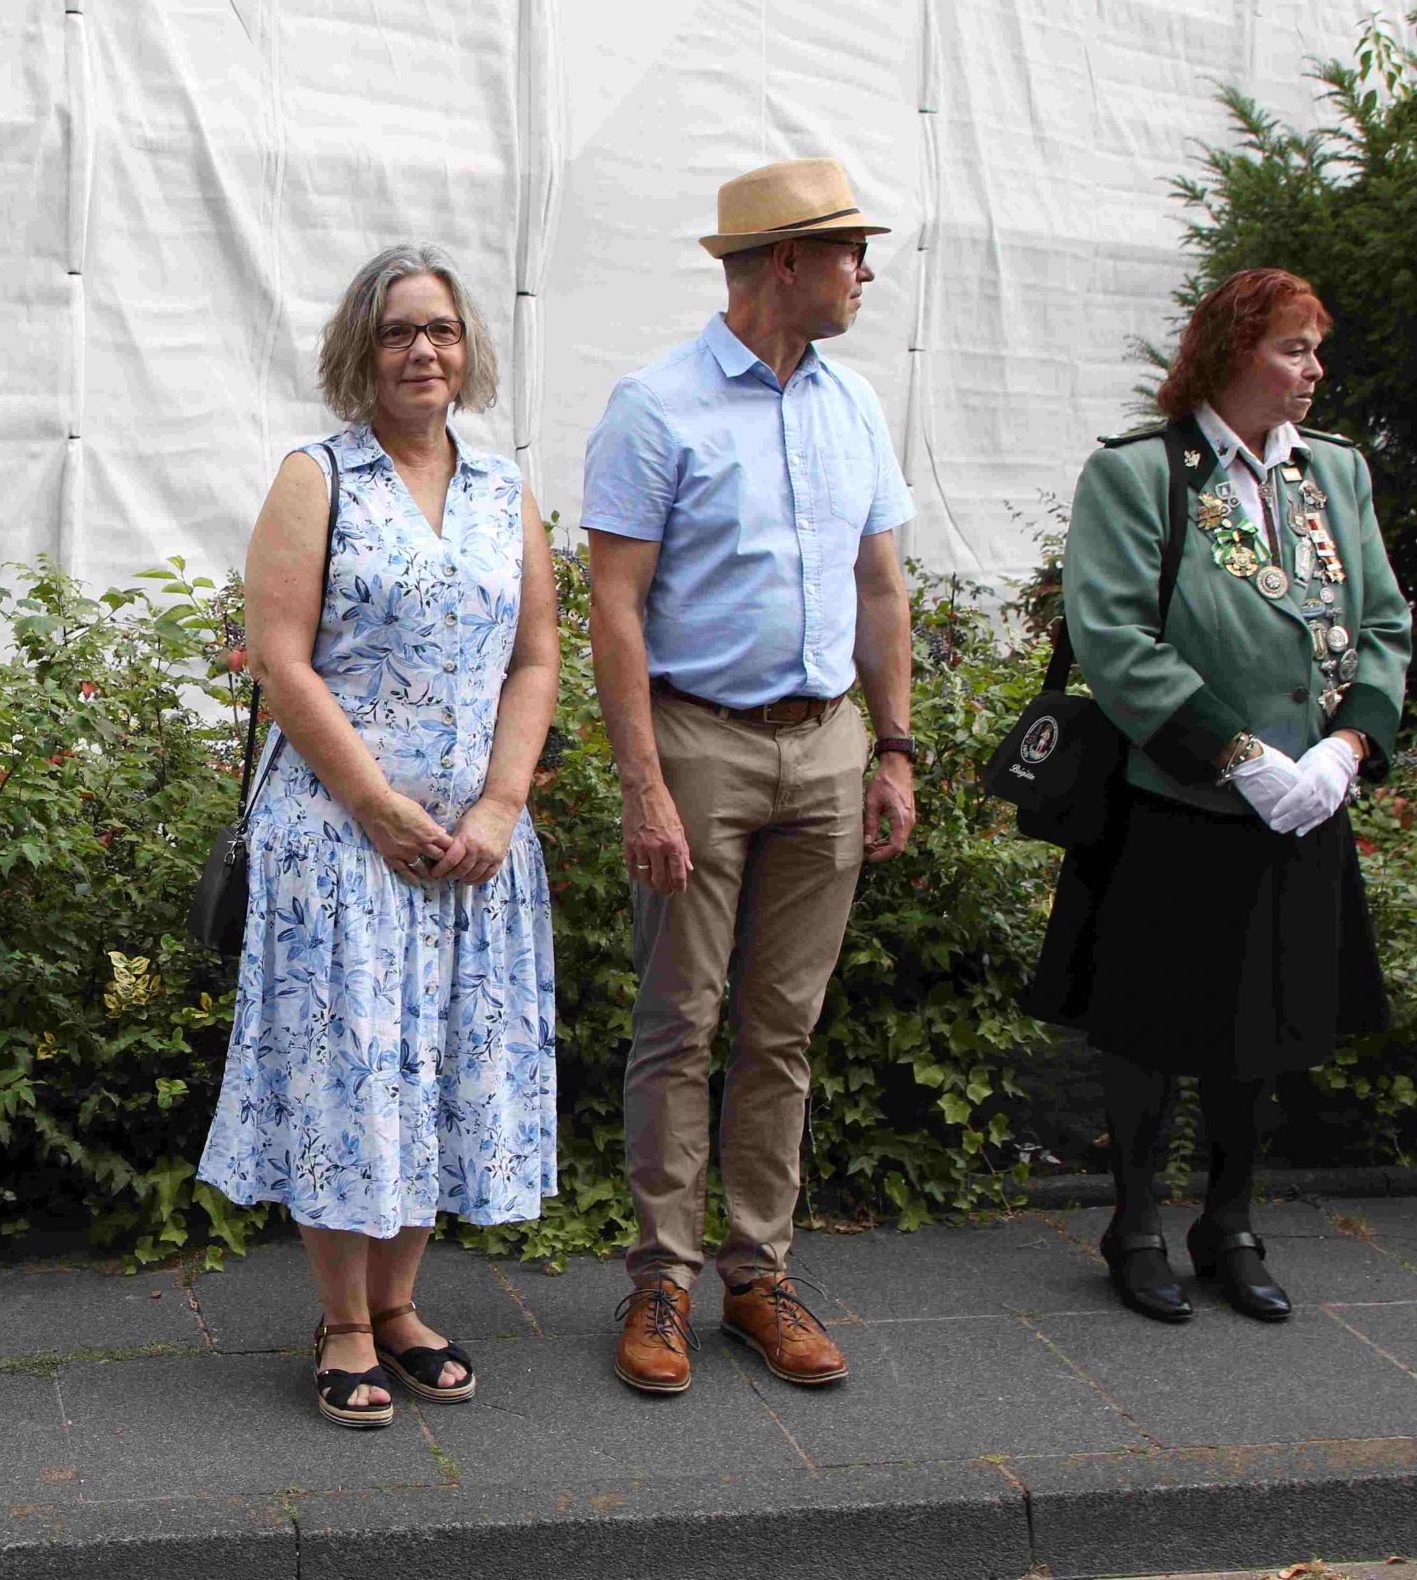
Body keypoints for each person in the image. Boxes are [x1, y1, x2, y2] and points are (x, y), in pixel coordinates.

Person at [197, 244, 560, 1430]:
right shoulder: (319, 478)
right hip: (337, 841)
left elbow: (536, 657)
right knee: (348, 1070)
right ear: (361, 350)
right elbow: (279, 658)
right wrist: (373, 804)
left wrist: (499, 806)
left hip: (473, 851)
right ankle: (342, 1321)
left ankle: (400, 1306)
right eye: (398, 331)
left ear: (468, 347)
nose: (422, 351)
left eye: (441, 329)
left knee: (439, 1065)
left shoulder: (504, 490)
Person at [581, 157, 918, 1396]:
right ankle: (661, 1281)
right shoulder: (655, 406)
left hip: (827, 744)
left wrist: (894, 748)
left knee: (783, 1029)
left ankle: (758, 1277)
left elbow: (879, 586)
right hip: (699, 741)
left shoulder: (853, 403)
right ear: (785, 260)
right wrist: (644, 784)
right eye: (848, 252)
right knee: (679, 1022)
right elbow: (613, 606)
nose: (863, 273)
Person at [1030, 267, 1408, 1324]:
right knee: (1149, 1026)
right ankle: (1135, 1225)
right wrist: (1239, 755)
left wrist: (1343, 750)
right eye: (1294, 348)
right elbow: (1114, 635)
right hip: (1177, 795)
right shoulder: (1140, 473)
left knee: (1266, 1026)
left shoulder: (1333, 472)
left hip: (1304, 802)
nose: (1314, 370)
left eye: (1314, 349)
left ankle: (1229, 1224)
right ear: (1232, 352)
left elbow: (1383, 622)